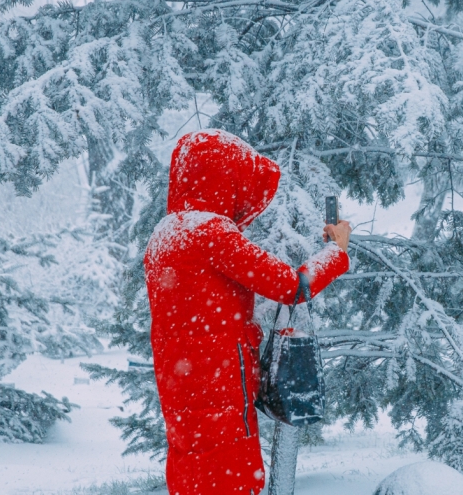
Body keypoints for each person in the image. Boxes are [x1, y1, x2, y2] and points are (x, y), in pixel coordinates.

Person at [144, 130, 351, 495]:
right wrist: (337, 252)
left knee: (192, 476)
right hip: (221, 395)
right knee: (229, 481)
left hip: (183, 394)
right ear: (225, 179)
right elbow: (292, 286)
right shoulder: (211, 233)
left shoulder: (164, 235)